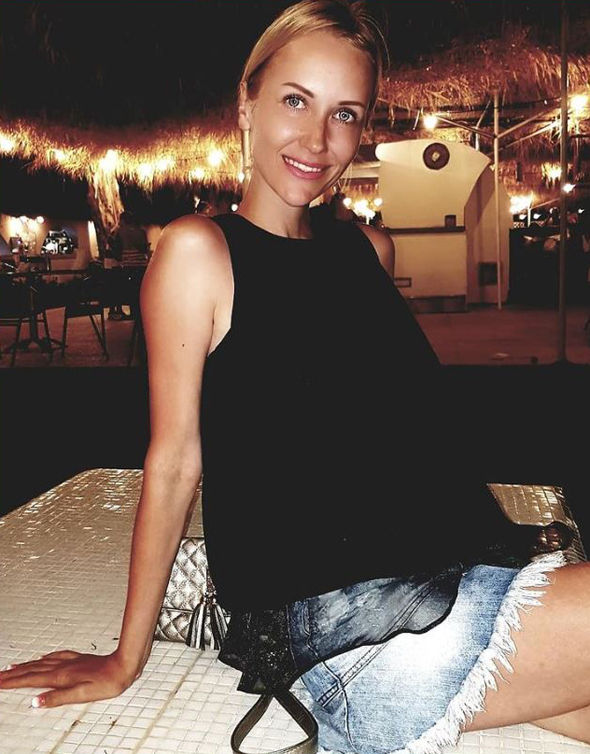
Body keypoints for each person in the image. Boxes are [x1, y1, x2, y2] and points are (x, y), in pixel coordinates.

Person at [2, 2, 590, 752]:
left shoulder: (367, 252)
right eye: (294, 100)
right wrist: (127, 657)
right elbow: (176, 459)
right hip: (361, 637)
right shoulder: (199, 251)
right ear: (246, 106)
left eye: (344, 113)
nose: (317, 139)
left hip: (454, 587)